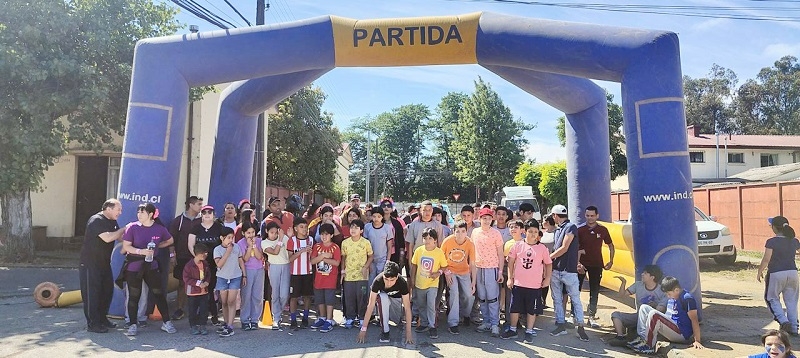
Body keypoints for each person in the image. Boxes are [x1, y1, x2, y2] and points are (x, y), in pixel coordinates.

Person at [120, 203, 176, 336]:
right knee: (134, 295)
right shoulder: (132, 227)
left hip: (151, 266)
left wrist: (157, 247)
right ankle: (132, 324)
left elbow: (170, 240)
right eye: (138, 212)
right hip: (134, 266)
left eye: (142, 212)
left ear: (151, 214)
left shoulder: (159, 229)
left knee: (158, 294)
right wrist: (141, 251)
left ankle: (167, 322)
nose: (139, 215)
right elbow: (126, 246)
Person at [503, 219, 552, 343]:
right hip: (518, 284)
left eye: (535, 232)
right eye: (530, 231)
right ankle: (513, 329)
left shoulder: (542, 248)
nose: (533, 234)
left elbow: (548, 264)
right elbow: (511, 262)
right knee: (514, 308)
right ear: (525, 232)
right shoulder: (518, 245)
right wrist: (510, 278)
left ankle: (529, 331)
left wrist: (547, 279)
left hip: (534, 285)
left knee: (532, 309)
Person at [80, 199, 125, 333]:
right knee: (92, 294)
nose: (120, 213)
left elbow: (119, 238)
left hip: (104, 263)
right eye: (118, 210)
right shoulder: (96, 220)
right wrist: (124, 229)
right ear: (109, 209)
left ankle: (102, 318)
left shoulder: (112, 221)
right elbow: (108, 238)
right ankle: (93, 324)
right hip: (90, 263)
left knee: (106, 291)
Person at [628, 276, 704, 354]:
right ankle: (642, 339)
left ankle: (649, 346)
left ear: (676, 290)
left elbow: (694, 320)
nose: (668, 296)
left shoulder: (687, 298)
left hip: (681, 333)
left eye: (669, 294)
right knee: (644, 308)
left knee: (654, 314)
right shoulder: (674, 296)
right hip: (671, 328)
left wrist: (697, 341)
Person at [549, 204, 589, 341]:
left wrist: (548, 258)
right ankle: (564, 324)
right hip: (559, 269)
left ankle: (579, 326)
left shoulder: (570, 227)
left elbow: (564, 248)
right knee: (559, 299)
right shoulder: (559, 229)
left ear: (555, 215)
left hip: (567, 270)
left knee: (573, 299)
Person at [758, 216, 799, 336]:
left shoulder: (772, 241)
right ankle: (794, 328)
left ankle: (783, 320)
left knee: (771, 298)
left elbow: (766, 259)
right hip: (793, 273)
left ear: (775, 228)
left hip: (776, 273)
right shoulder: (794, 241)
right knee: (792, 301)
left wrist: (760, 271)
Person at [607, 264, 667, 346]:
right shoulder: (638, 285)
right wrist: (623, 283)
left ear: (652, 277)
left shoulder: (661, 290)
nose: (642, 274)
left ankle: (643, 340)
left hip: (651, 321)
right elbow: (621, 295)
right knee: (616, 315)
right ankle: (620, 337)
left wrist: (653, 306)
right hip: (638, 316)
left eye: (645, 273)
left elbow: (661, 310)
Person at [357, 262, 414, 345]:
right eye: (386, 279)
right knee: (382, 297)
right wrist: (363, 329)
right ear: (383, 275)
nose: (389, 283)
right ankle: (385, 331)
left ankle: (388, 318)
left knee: (398, 321)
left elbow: (407, 308)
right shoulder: (378, 280)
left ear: (397, 277)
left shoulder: (402, 282)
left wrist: (408, 332)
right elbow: (370, 305)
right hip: (384, 304)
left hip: (396, 304)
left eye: (392, 280)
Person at [577, 205, 615, 328]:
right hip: (581, 264)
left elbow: (610, 245)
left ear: (597, 216)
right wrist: (577, 263)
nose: (590, 218)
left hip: (597, 264)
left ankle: (592, 317)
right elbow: (573, 248)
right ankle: (575, 315)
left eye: (592, 215)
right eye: (587, 215)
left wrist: (611, 261)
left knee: (595, 291)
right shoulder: (579, 229)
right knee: (575, 290)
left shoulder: (603, 230)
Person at [187, 205, 224, 326]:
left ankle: (214, 315)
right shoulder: (195, 227)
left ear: (214, 214)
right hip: (200, 265)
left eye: (210, 212)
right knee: (200, 289)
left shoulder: (219, 227)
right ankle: (198, 316)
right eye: (204, 212)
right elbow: (191, 244)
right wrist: (199, 259)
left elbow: (225, 244)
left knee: (211, 290)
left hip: (215, 265)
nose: (207, 214)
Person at [168, 195, 202, 321]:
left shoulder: (202, 220)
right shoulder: (178, 221)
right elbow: (171, 240)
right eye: (198, 204)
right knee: (182, 283)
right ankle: (180, 309)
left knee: (200, 283)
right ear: (191, 205)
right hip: (182, 257)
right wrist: (172, 255)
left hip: (199, 258)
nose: (201, 207)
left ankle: (199, 310)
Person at [472, 207, 505, 337]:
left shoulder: (496, 233)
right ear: (479, 219)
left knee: (492, 298)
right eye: (484, 218)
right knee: (482, 297)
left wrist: (500, 271)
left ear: (492, 219)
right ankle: (486, 321)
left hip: (492, 268)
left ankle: (495, 324)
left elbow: (501, 254)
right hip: (478, 268)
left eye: (489, 218)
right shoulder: (475, 232)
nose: (486, 221)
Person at [410, 228, 447, 339]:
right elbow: (414, 265)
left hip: (432, 284)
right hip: (420, 283)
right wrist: (412, 279)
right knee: (421, 305)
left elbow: (444, 266)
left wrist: (438, 273)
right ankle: (424, 323)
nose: (427, 241)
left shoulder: (439, 252)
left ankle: (432, 326)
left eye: (430, 238)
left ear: (435, 240)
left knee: (431, 305)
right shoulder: (419, 250)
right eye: (425, 238)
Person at [441, 220, 476, 334]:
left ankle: (465, 314)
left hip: (464, 272)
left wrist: (473, 282)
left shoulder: (470, 243)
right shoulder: (447, 241)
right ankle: (453, 323)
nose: (460, 234)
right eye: (457, 231)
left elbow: (472, 263)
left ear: (467, 232)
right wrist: (446, 272)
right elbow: (441, 259)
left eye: (463, 231)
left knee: (468, 295)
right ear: (453, 231)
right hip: (451, 271)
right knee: (454, 293)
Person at [309, 223, 342, 333]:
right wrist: (323, 256)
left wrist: (323, 259)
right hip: (318, 279)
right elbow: (312, 261)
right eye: (322, 234)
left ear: (331, 235)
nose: (324, 237)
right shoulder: (317, 246)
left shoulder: (335, 247)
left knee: (329, 300)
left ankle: (329, 319)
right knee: (319, 299)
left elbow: (336, 262)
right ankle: (322, 317)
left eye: (327, 234)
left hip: (330, 279)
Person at [341, 219, 374, 328]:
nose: (353, 230)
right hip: (349, 275)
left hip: (362, 276)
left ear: (361, 230)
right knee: (349, 297)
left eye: (356, 228)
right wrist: (342, 271)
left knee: (362, 297)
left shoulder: (366, 242)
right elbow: (343, 257)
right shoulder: (345, 242)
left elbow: (371, 256)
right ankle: (350, 318)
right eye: (352, 227)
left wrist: (366, 267)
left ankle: (362, 318)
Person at [213, 226, 245, 337]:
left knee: (232, 301)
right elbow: (219, 264)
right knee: (224, 302)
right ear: (222, 238)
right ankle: (226, 323)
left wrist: (244, 275)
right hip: (222, 278)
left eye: (232, 237)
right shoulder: (217, 249)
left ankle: (231, 326)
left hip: (235, 277)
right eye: (228, 238)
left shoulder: (236, 247)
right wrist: (227, 252)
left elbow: (241, 261)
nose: (231, 240)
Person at [261, 221, 290, 330]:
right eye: (271, 232)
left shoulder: (284, 238)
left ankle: (279, 312)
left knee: (284, 294)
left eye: (276, 232)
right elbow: (274, 252)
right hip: (274, 267)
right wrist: (281, 239)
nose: (274, 235)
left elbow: (290, 248)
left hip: (286, 266)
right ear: (267, 232)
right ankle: (276, 318)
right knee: (275, 293)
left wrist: (287, 237)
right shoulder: (264, 242)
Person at [287, 217, 314, 330]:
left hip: (308, 272)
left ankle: (305, 319)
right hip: (295, 273)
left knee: (307, 296)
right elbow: (290, 258)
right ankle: (293, 320)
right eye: (301, 227)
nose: (304, 229)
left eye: (305, 227)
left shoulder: (311, 240)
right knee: (294, 297)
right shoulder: (292, 241)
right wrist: (302, 251)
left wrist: (311, 253)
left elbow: (314, 257)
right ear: (296, 229)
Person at [236, 222, 263, 331]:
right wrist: (249, 247)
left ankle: (255, 319)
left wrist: (254, 246)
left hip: (259, 270)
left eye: (253, 232)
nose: (251, 235)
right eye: (248, 233)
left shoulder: (259, 241)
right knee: (246, 295)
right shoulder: (240, 244)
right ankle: (245, 320)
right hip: (247, 270)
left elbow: (259, 256)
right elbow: (245, 259)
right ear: (243, 233)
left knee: (257, 295)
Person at [183, 243, 211, 335]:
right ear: (197, 254)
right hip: (192, 293)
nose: (205, 255)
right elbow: (186, 278)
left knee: (204, 310)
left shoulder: (205, 264)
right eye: (203, 253)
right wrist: (198, 283)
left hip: (203, 292)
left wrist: (207, 282)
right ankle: (193, 326)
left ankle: (203, 325)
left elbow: (208, 275)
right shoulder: (189, 266)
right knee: (192, 310)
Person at [502, 219, 525, 329]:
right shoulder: (507, 244)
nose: (513, 229)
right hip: (510, 275)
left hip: (523, 276)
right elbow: (506, 261)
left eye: (516, 227)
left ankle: (520, 320)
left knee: (522, 299)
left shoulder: (526, 242)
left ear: (522, 229)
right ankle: (509, 321)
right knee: (509, 299)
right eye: (511, 227)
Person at [365, 210, 392, 286]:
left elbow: (389, 246)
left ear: (382, 217)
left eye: (379, 217)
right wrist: (367, 261)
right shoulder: (367, 227)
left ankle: (380, 298)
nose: (376, 219)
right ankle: (370, 297)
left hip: (382, 259)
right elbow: (365, 246)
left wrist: (388, 260)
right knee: (371, 281)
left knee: (381, 281)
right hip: (371, 259)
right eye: (374, 216)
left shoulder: (387, 228)